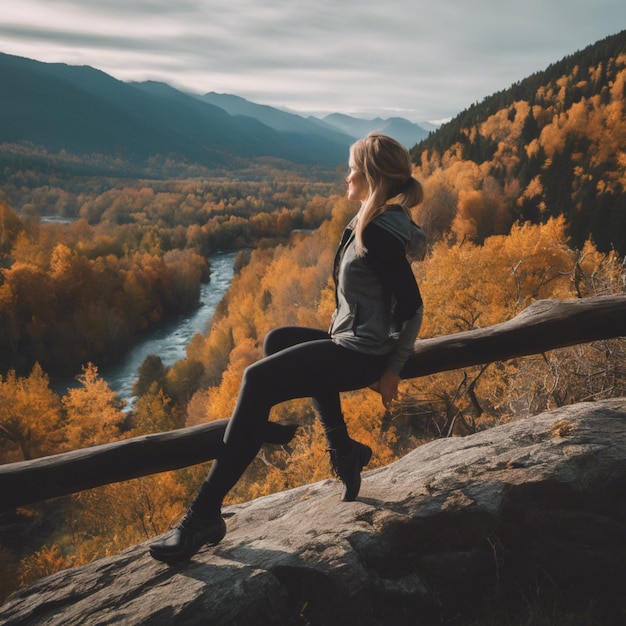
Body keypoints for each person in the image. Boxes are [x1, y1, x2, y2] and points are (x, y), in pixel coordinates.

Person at [149, 133, 425, 564]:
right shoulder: (370, 223)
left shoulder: (381, 235)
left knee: (255, 379)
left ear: (370, 176)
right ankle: (342, 449)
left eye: (351, 167)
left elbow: (413, 308)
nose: (346, 176)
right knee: (277, 341)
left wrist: (391, 371)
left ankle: (203, 515)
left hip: (363, 354)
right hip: (349, 341)